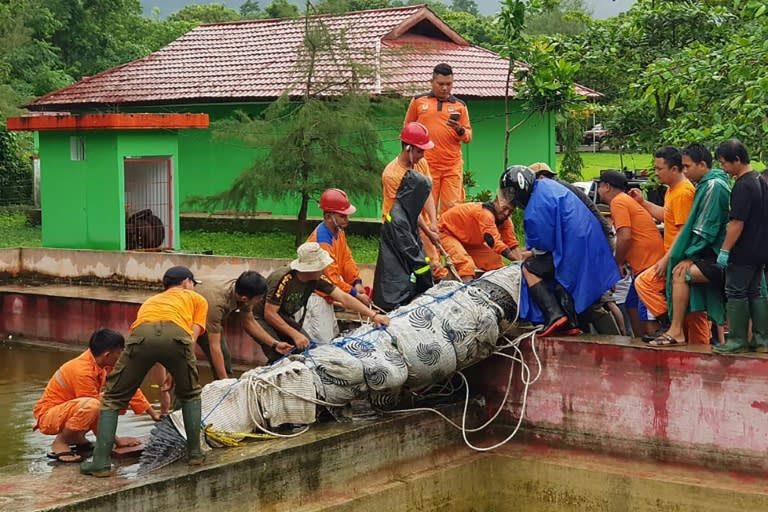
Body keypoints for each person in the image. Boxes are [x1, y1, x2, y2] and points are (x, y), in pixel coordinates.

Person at [80, 266, 209, 477]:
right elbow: (190, 339)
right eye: (193, 283)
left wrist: (166, 372)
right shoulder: (197, 299)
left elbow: (147, 343)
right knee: (190, 394)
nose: (193, 287)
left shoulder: (151, 301)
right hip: (177, 336)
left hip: (142, 335)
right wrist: (178, 372)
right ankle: (195, 454)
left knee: (112, 399)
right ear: (187, 282)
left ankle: (101, 463)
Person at [501, 165, 620, 336]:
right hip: (589, 242)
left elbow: (543, 244)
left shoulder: (535, 208)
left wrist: (531, 254)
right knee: (589, 298)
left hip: (576, 252)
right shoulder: (550, 187)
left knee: (529, 269)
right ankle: (572, 323)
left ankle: (554, 315)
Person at [32, 328, 159, 463]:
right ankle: (61, 442)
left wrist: (152, 413)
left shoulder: (103, 362)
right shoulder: (82, 371)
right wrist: (115, 441)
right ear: (107, 355)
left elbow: (126, 386)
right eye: (119, 353)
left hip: (69, 411)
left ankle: (76, 438)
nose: (122, 356)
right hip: (49, 417)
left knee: (114, 397)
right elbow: (95, 411)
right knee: (94, 405)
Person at [647, 143, 730, 346]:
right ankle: (676, 328)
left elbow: (704, 229)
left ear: (702, 164)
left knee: (680, 273)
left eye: (687, 166)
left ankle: (676, 330)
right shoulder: (703, 185)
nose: (685, 171)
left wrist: (689, 256)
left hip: (716, 256)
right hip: (705, 254)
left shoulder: (712, 186)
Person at [255, 243, 390, 362]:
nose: (324, 268)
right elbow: (270, 314)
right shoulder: (283, 279)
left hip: (284, 316)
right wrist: (295, 334)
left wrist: (373, 316)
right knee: (278, 354)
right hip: (261, 318)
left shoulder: (317, 278)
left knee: (307, 351)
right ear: (310, 268)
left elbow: (343, 297)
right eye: (321, 266)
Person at [629, 147, 710, 345]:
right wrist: (644, 203)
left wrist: (666, 260)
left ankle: (672, 324)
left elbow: (684, 232)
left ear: (674, 169)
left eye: (659, 168)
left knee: (645, 283)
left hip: (678, 258)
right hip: (674, 257)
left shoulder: (683, 192)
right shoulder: (672, 190)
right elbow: (668, 216)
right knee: (694, 311)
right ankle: (682, 331)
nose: (655, 173)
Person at [713, 139, 768, 353]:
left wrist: (725, 250)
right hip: (761, 249)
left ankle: (736, 340)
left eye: (724, 163)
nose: (723, 168)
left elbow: (737, 223)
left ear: (737, 160)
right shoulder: (760, 180)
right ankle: (761, 339)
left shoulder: (743, 185)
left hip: (744, 250)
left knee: (736, 292)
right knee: (755, 292)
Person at [597, 170, 665, 339]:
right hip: (644, 265)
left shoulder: (618, 202)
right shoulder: (625, 200)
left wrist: (617, 263)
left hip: (649, 266)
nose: (598, 189)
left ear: (606, 187)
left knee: (646, 310)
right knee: (632, 305)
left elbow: (625, 236)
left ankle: (652, 345)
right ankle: (638, 344)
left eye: (600, 185)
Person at [195, 271, 292, 378]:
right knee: (186, 360)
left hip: (204, 306)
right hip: (184, 314)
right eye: (260, 298)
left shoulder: (243, 293)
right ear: (244, 299)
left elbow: (249, 322)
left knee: (224, 356)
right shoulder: (217, 304)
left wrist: (275, 344)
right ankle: (222, 388)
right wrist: (225, 383)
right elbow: (214, 346)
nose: (261, 300)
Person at [304, 188, 371, 341]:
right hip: (315, 297)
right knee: (323, 343)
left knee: (331, 337)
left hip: (327, 296)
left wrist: (356, 282)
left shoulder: (338, 232)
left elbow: (346, 258)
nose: (347, 219)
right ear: (328, 217)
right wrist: (355, 294)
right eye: (343, 216)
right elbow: (331, 278)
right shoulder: (322, 241)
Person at [404, 63, 472, 213]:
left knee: (453, 209)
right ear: (432, 82)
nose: (445, 88)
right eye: (441, 84)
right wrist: (408, 159)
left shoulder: (460, 105)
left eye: (449, 84)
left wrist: (459, 129)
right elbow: (407, 130)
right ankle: (426, 237)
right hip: (426, 164)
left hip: (452, 166)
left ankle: (448, 237)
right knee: (426, 208)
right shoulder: (418, 101)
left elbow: (468, 136)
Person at [382, 122, 442, 279]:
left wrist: (433, 224)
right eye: (419, 151)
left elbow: (427, 193)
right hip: (398, 227)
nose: (422, 155)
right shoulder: (392, 175)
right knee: (409, 267)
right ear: (407, 148)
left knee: (434, 263)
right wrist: (429, 233)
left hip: (418, 222)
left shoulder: (420, 163)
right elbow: (407, 211)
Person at [437, 192, 521, 282]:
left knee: (495, 263)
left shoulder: (506, 221)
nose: (506, 213)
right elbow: (493, 242)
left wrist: (521, 261)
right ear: (496, 202)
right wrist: (516, 260)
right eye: (505, 208)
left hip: (468, 241)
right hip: (446, 233)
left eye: (510, 211)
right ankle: (466, 290)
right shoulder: (486, 214)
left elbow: (511, 243)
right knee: (466, 264)